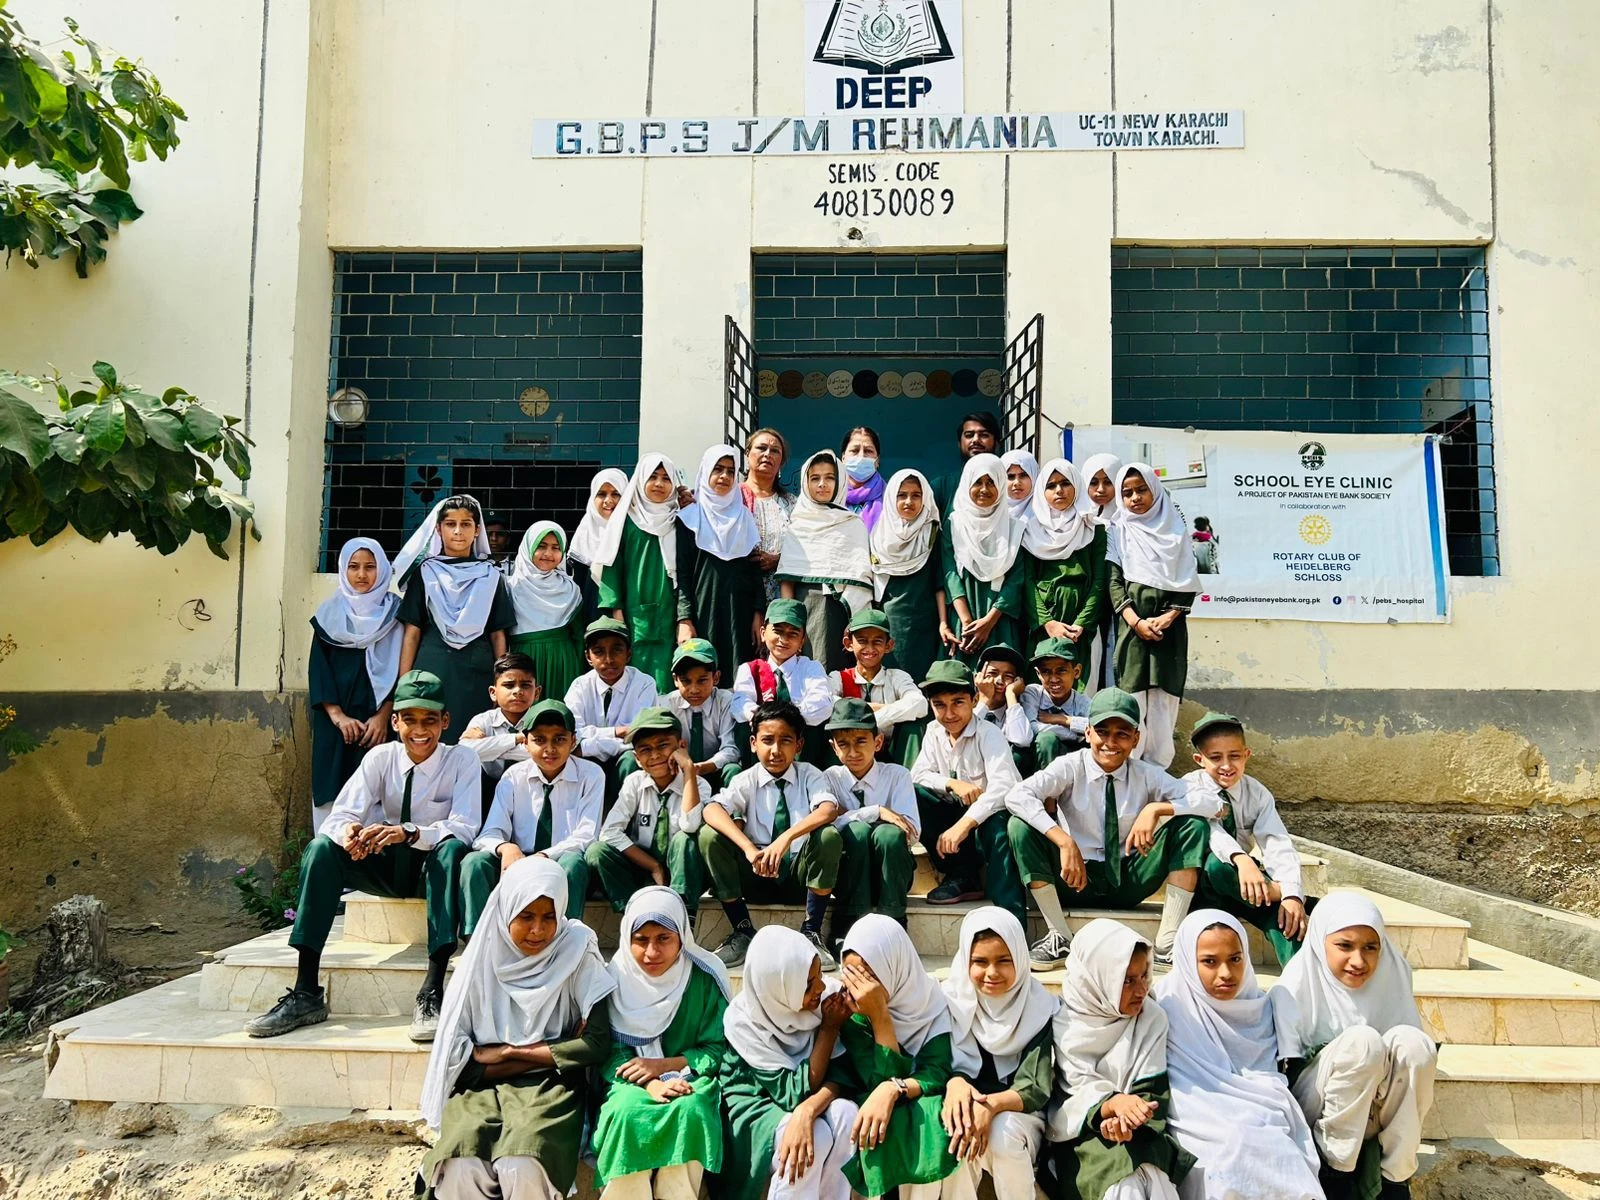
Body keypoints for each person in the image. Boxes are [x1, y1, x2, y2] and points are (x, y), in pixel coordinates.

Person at [247, 670, 479, 1042]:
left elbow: (467, 826)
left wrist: (409, 832)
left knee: (451, 848)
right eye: (410, 720)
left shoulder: (462, 761)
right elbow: (340, 815)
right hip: (385, 867)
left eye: (430, 720)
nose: (420, 731)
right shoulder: (379, 758)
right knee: (322, 848)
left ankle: (432, 990)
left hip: (431, 870)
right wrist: (351, 834)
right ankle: (306, 990)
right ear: (395, 721)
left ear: (445, 722)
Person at [418, 857, 615, 1200]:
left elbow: (596, 1044)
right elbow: (461, 1066)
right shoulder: (481, 959)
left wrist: (508, 1053)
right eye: (526, 917)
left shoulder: (575, 948)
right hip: (482, 1090)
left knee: (523, 1163)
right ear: (508, 910)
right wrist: (557, 1048)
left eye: (548, 917)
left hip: (550, 1088)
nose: (538, 930)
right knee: (462, 1166)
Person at [1003, 688, 1214, 972]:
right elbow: (1016, 796)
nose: (1110, 743)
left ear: (1136, 738)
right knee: (1020, 826)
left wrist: (1155, 809)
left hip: (1130, 877)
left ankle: (1167, 943)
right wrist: (1064, 841)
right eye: (1102, 732)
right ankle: (1059, 935)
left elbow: (1211, 802)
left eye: (1122, 734)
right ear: (1088, 732)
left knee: (1192, 825)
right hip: (1075, 878)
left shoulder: (1145, 773)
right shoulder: (1070, 766)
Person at [1275, 894, 1437, 1200]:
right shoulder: (1295, 986)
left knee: (1415, 1044)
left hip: (1373, 1112)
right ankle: (1335, 1175)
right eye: (1344, 946)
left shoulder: (1393, 976)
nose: (1359, 961)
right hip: (1318, 1114)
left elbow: (1408, 1073)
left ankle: (1395, 1179)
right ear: (1321, 942)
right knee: (1362, 1042)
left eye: (1370, 947)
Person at [1153, 910, 1322, 1200]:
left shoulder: (1260, 1006)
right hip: (1195, 1113)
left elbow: (1270, 1077)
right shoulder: (1168, 1005)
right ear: (1186, 961)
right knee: (1230, 1150)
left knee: (1278, 1149)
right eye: (1209, 962)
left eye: (1235, 959)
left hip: (1262, 1106)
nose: (1226, 974)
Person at [592, 887, 733, 1200]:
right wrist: (651, 1084)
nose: (651, 953)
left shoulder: (705, 977)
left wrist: (666, 1067)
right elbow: (611, 1053)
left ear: (682, 936)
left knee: (693, 1108)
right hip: (629, 1081)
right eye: (641, 940)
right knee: (628, 1112)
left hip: (690, 1076)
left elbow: (719, 1048)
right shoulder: (614, 978)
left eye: (663, 939)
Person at [1045, 919, 1194, 1200]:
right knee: (1122, 1187)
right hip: (1078, 1138)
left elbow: (1151, 1092)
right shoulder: (1062, 1025)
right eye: (1126, 980)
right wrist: (1110, 1106)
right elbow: (1070, 1094)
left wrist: (1129, 1119)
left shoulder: (1151, 1018)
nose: (1140, 990)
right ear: (1097, 979)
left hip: (1139, 1134)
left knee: (1153, 1178)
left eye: (1144, 976)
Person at [698, 700, 845, 969]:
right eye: (767, 740)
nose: (775, 750)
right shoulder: (746, 779)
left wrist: (784, 839)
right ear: (753, 743)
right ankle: (742, 930)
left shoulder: (809, 774)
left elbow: (828, 810)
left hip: (799, 878)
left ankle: (811, 932)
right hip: (756, 876)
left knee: (828, 836)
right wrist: (749, 849)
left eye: (785, 740)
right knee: (709, 835)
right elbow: (712, 810)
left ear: (799, 745)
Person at [719, 926, 860, 1200]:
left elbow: (844, 1072)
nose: (820, 986)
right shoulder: (745, 1021)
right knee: (814, 1139)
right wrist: (828, 1031)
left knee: (846, 1115)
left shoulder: (824, 1001)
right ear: (779, 987)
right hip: (757, 1109)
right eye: (808, 984)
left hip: (810, 1100)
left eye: (819, 975)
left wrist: (807, 1111)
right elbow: (792, 1092)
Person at [832, 916, 961, 1199]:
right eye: (851, 975)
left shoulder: (930, 1001)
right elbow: (873, 1077)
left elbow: (938, 1071)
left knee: (932, 1115)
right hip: (869, 1110)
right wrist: (879, 1017)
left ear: (895, 967)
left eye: (869, 977)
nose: (859, 988)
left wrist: (894, 1088)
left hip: (912, 1102)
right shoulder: (851, 1011)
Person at [939, 908, 1059, 1200]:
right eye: (980, 961)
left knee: (1002, 1135)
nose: (992, 973)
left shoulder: (1039, 1008)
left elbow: (1035, 1086)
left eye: (1004, 961)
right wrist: (955, 1084)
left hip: (1021, 1113)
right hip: (967, 1109)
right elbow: (937, 1062)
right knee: (958, 1133)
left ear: (1020, 957)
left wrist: (990, 1106)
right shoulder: (951, 1001)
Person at [1182, 713, 1310, 965]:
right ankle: (1276, 892)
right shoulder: (1188, 785)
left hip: (1245, 885)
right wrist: (1242, 860)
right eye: (1215, 757)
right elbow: (1211, 832)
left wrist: (1292, 896)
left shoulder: (1257, 793)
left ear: (1247, 755)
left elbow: (1276, 842)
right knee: (1217, 866)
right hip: (1204, 885)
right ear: (1199, 760)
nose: (1227, 765)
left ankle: (1300, 985)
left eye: (1235, 756)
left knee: (1285, 917)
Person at [463, 700, 603, 924]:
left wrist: (545, 856)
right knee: (474, 862)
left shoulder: (591, 775)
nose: (549, 749)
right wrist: (505, 847)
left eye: (559, 739)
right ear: (525, 743)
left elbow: (586, 836)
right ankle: (479, 940)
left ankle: (566, 941)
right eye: (539, 740)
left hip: (560, 859)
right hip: (520, 861)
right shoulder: (513, 775)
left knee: (574, 864)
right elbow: (489, 832)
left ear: (573, 741)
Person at [395, 495, 517, 744]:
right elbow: (412, 632)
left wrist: (501, 680)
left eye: (466, 524)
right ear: (439, 529)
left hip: (477, 675)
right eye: (451, 524)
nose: (458, 531)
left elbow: (497, 634)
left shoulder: (491, 575)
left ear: (477, 530)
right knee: (426, 738)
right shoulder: (426, 572)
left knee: (472, 743)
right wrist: (403, 685)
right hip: (432, 668)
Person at [910, 660, 1025, 922]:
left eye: (958, 702)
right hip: (956, 829)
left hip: (986, 822)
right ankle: (962, 877)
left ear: (974, 700)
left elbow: (1004, 787)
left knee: (999, 827)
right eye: (939, 704)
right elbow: (918, 774)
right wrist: (951, 784)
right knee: (916, 795)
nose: (949, 713)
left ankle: (1010, 918)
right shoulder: (933, 731)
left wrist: (964, 824)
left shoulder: (989, 734)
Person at [1107, 464, 1199, 770]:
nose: (1134, 498)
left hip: (1168, 633)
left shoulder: (1175, 530)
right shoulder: (1117, 530)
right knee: (1132, 702)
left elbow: (1187, 582)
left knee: (1163, 704)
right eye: (1127, 492)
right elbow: (1114, 581)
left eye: (1141, 489)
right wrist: (1136, 621)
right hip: (1132, 631)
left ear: (1155, 490)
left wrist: (1169, 617)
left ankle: (1158, 774)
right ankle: (1130, 773)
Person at [308, 537, 401, 829]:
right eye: (354, 567)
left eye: (370, 567)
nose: (362, 575)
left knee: (379, 790)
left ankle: (373, 866)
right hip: (337, 724)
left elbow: (404, 669)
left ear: (383, 570)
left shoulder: (398, 614)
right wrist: (337, 717)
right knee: (332, 791)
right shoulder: (328, 614)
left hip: (379, 722)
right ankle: (329, 859)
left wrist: (384, 717)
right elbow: (319, 670)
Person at [587, 707, 708, 917]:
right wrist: (653, 866)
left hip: (684, 869)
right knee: (597, 851)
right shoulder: (635, 782)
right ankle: (634, 914)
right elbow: (610, 832)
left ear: (681, 746)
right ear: (636, 759)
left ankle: (682, 915)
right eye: (645, 750)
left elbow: (690, 824)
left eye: (663, 745)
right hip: (642, 865)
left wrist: (688, 769)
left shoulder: (699, 785)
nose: (655, 755)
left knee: (684, 839)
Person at [593, 453, 692, 692]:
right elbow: (611, 566)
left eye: (666, 478)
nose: (659, 484)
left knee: (670, 683)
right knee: (634, 683)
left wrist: (684, 618)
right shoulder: (626, 521)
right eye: (653, 477)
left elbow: (688, 572)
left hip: (671, 616)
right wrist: (617, 613)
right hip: (634, 617)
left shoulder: (681, 521)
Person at [825, 697, 920, 944]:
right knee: (856, 832)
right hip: (848, 878)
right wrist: (876, 811)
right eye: (843, 744)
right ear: (833, 747)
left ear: (877, 742)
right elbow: (827, 825)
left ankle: (894, 921)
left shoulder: (897, 775)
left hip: (890, 874)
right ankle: (849, 919)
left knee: (888, 834)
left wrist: (848, 815)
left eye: (861, 742)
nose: (853, 752)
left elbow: (909, 829)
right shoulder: (829, 779)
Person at [778, 449, 873, 673]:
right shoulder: (798, 525)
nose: (822, 484)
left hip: (843, 612)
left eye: (830, 477)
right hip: (805, 607)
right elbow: (787, 578)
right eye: (815, 478)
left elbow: (860, 574)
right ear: (805, 482)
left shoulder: (853, 524)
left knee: (840, 674)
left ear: (840, 481)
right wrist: (791, 620)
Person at [678, 444, 764, 677]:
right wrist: (684, 619)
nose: (724, 476)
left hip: (740, 614)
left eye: (730, 471)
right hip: (702, 610)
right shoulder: (689, 518)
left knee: (739, 674)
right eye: (718, 469)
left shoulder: (744, 517)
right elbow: (682, 574)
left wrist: (758, 613)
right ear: (706, 472)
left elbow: (754, 569)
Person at [940, 455, 1026, 666]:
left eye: (991, 482)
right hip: (964, 615)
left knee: (1000, 675)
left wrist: (989, 622)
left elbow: (1017, 579)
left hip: (999, 619)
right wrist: (967, 622)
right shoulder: (954, 525)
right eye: (977, 482)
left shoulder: (1015, 528)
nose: (984, 489)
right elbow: (949, 572)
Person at [563, 616, 661, 800]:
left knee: (632, 760)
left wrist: (587, 746)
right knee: (573, 762)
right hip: (590, 759)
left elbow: (639, 737)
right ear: (588, 657)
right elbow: (572, 736)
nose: (608, 659)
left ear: (629, 654)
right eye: (599, 652)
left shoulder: (643, 684)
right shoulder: (580, 686)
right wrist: (616, 732)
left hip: (623, 757)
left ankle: (629, 822)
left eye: (617, 650)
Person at [1022, 459, 1107, 661]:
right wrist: (1047, 623)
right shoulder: (1030, 531)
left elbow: (1099, 580)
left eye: (1065, 483)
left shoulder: (1093, 527)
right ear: (1042, 491)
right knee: (1042, 683)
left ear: (1077, 486)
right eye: (1051, 486)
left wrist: (1082, 623)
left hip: (1082, 624)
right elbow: (1027, 581)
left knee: (1081, 682)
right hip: (1044, 622)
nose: (1059, 490)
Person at [869, 469, 947, 686]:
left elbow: (939, 583)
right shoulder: (878, 535)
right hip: (886, 622)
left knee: (920, 683)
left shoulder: (932, 533)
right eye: (901, 495)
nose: (908, 501)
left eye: (916, 495)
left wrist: (943, 623)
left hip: (923, 624)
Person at [731, 598, 835, 755]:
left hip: (802, 751)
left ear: (802, 641)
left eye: (793, 634)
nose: (784, 640)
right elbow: (740, 704)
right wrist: (768, 721)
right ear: (763, 633)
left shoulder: (811, 668)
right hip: (762, 753)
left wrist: (784, 718)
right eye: (778, 631)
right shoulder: (749, 670)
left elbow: (822, 705)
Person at [829, 607, 929, 767]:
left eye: (877, 641)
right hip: (851, 754)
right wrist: (873, 708)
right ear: (848, 644)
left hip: (889, 752)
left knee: (912, 726)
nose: (869, 648)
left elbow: (919, 704)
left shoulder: (897, 677)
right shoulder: (838, 678)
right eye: (862, 641)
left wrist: (869, 719)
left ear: (889, 645)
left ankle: (912, 782)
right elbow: (827, 704)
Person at [504, 521, 586, 704]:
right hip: (523, 663)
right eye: (541, 546)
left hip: (563, 663)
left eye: (556, 548)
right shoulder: (511, 588)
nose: (548, 554)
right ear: (528, 548)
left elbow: (579, 637)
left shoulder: (571, 590)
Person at [460, 652, 538, 818]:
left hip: (530, 789)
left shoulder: (542, 718)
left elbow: (543, 755)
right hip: (489, 792)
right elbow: (465, 751)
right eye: (509, 685)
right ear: (493, 692)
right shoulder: (483, 719)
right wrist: (516, 739)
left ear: (537, 693)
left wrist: (488, 748)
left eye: (525, 685)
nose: (517, 691)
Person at [663, 638, 743, 793]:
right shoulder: (667, 704)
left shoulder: (725, 701)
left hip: (714, 770)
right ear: (675, 680)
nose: (694, 689)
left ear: (716, 678)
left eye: (702, 681)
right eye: (686, 681)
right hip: (679, 773)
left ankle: (734, 816)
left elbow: (730, 749)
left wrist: (701, 768)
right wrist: (686, 767)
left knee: (733, 770)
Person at [1078, 452, 1124, 696]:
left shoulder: (1129, 522)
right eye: (1093, 482)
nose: (1101, 489)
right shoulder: (1078, 522)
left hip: (1122, 609)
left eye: (1109, 482)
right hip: (1088, 610)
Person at [741, 427, 796, 610]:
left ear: (782, 461)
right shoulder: (731, 499)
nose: (767, 454)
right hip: (740, 592)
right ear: (747, 454)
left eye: (775, 451)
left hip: (782, 595)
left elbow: (805, 550)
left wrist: (778, 560)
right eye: (761, 448)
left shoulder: (792, 504)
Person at [1022, 638, 1091, 772]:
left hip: (1072, 763)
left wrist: (1060, 719)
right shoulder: (1033, 693)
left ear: (1076, 672)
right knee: (1047, 739)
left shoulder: (1083, 702)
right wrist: (1073, 734)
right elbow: (1032, 727)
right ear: (1038, 674)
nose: (1053, 679)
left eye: (1061, 671)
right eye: (1046, 672)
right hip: (1038, 763)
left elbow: (1096, 727)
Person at [568, 468, 629, 619]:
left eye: (616, 494)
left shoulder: (632, 532)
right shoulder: (584, 533)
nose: (609, 500)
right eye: (601, 494)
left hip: (629, 615)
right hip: (591, 616)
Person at [930, 412, 1003, 517]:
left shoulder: (1007, 484)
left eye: (984, 435)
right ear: (959, 443)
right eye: (969, 435)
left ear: (996, 442)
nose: (976, 440)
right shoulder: (941, 487)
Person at [973, 643, 1032, 773]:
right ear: (978, 678)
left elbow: (1021, 739)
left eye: (1008, 676)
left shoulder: (1017, 709)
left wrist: (1011, 693)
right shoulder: (965, 705)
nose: (999, 681)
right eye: (992, 674)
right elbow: (965, 734)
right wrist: (984, 701)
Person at [841, 425, 889, 532]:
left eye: (868, 451)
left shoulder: (889, 498)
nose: (861, 456)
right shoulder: (828, 496)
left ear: (877, 461)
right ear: (843, 458)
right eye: (855, 450)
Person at [1001, 450, 1039, 521]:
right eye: (1010, 476)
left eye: (1023, 475)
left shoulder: (1044, 514)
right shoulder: (992, 513)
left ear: (1034, 476)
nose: (1016, 483)